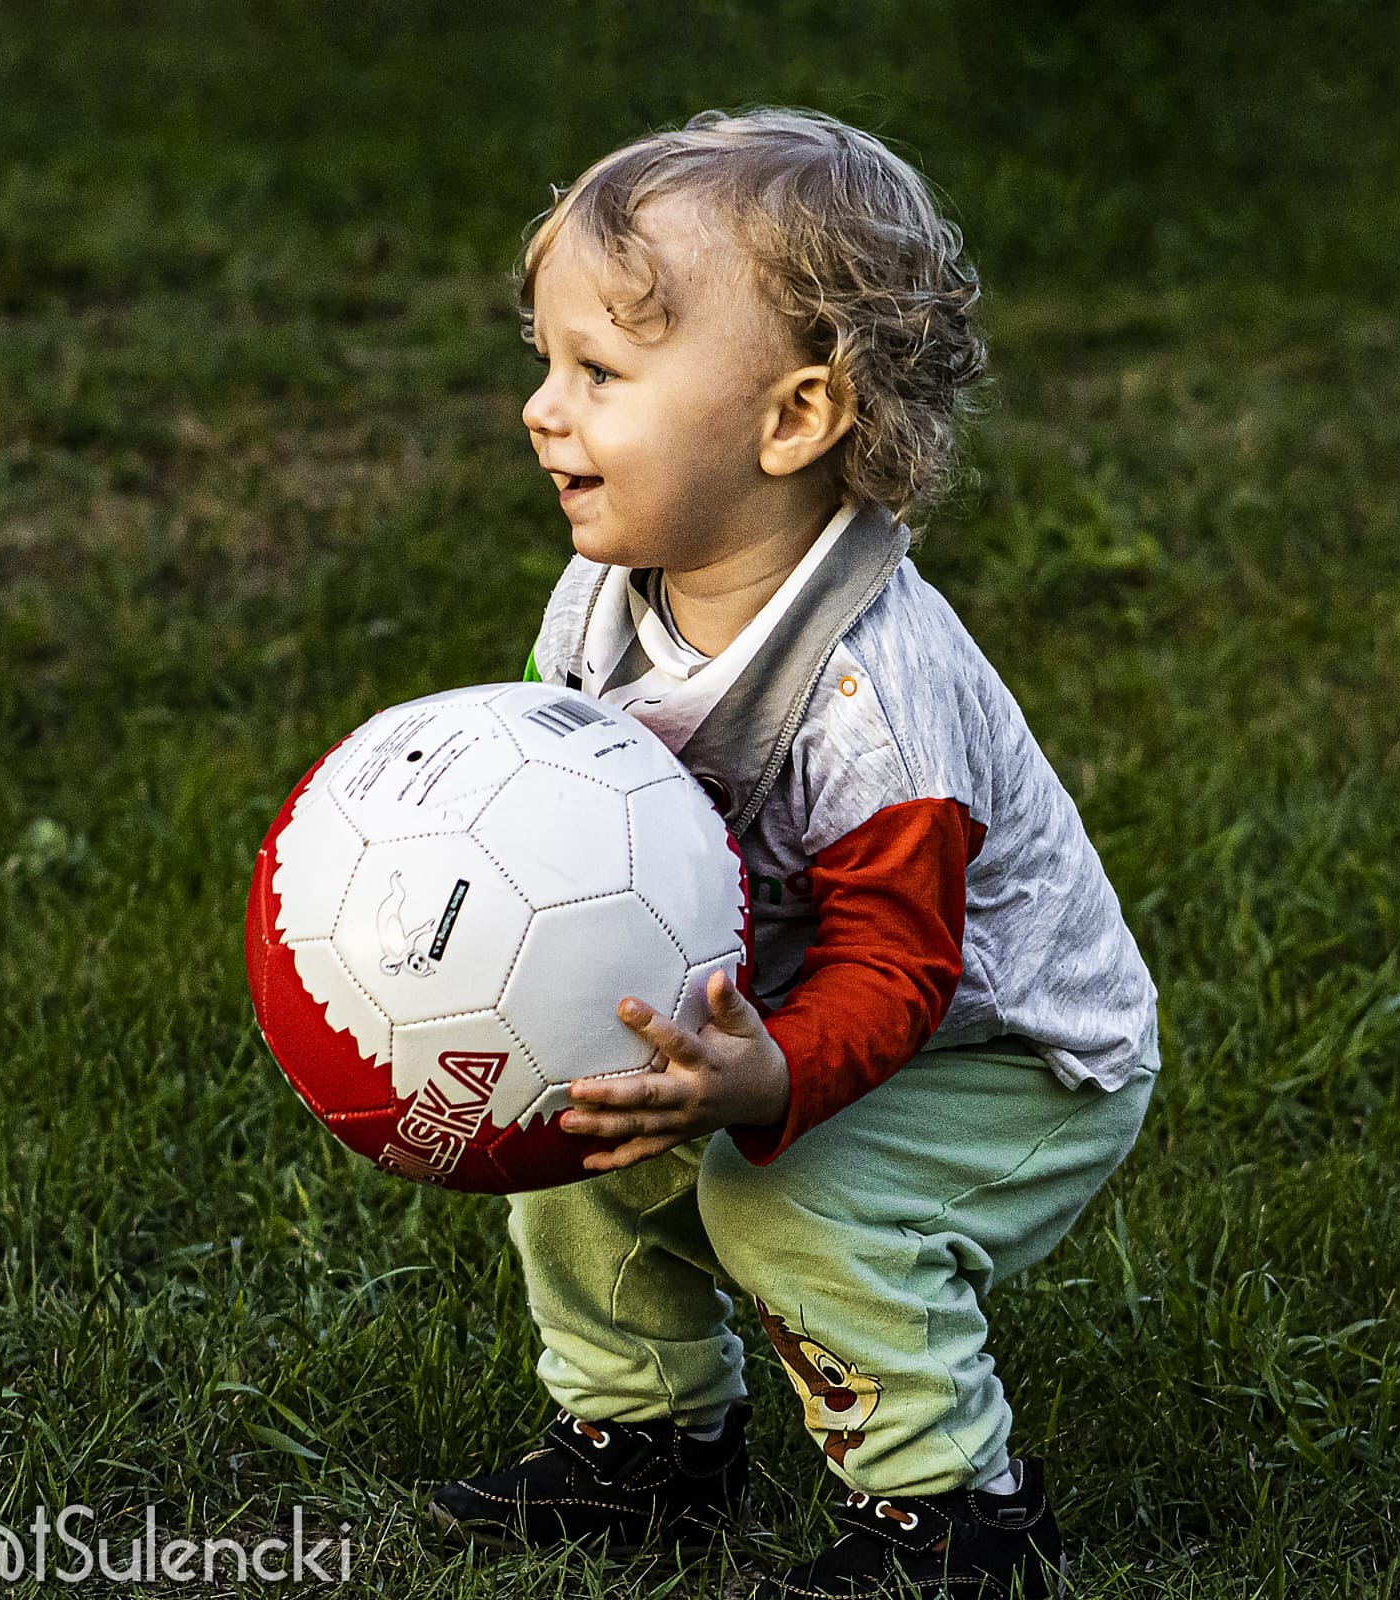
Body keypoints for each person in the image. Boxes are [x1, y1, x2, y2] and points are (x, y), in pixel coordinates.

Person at [428, 107, 1160, 1600]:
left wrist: (767, 1084)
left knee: (788, 1205)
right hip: (769, 1014)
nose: (542, 409)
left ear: (793, 419)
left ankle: (955, 1520)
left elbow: (901, 965)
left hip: (1000, 1054)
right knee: (579, 1128)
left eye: (600, 374)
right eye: (544, 362)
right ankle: (647, 1444)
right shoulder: (602, 598)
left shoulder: (869, 690)